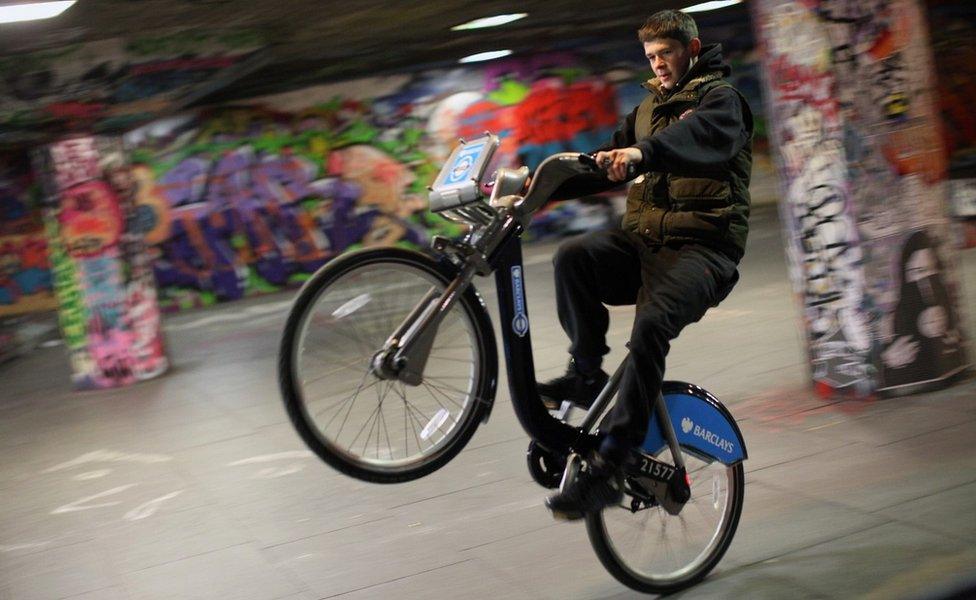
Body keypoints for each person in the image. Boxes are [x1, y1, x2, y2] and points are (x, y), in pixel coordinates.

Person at [541, 9, 754, 519]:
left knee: (652, 324)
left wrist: (641, 154)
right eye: (652, 57)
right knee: (573, 257)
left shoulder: (722, 102)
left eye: (666, 54)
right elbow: (603, 164)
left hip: (704, 251)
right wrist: (536, 186)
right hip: (643, 245)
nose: (658, 65)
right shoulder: (644, 111)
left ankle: (614, 463)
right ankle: (586, 373)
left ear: (693, 50)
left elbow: (692, 139)